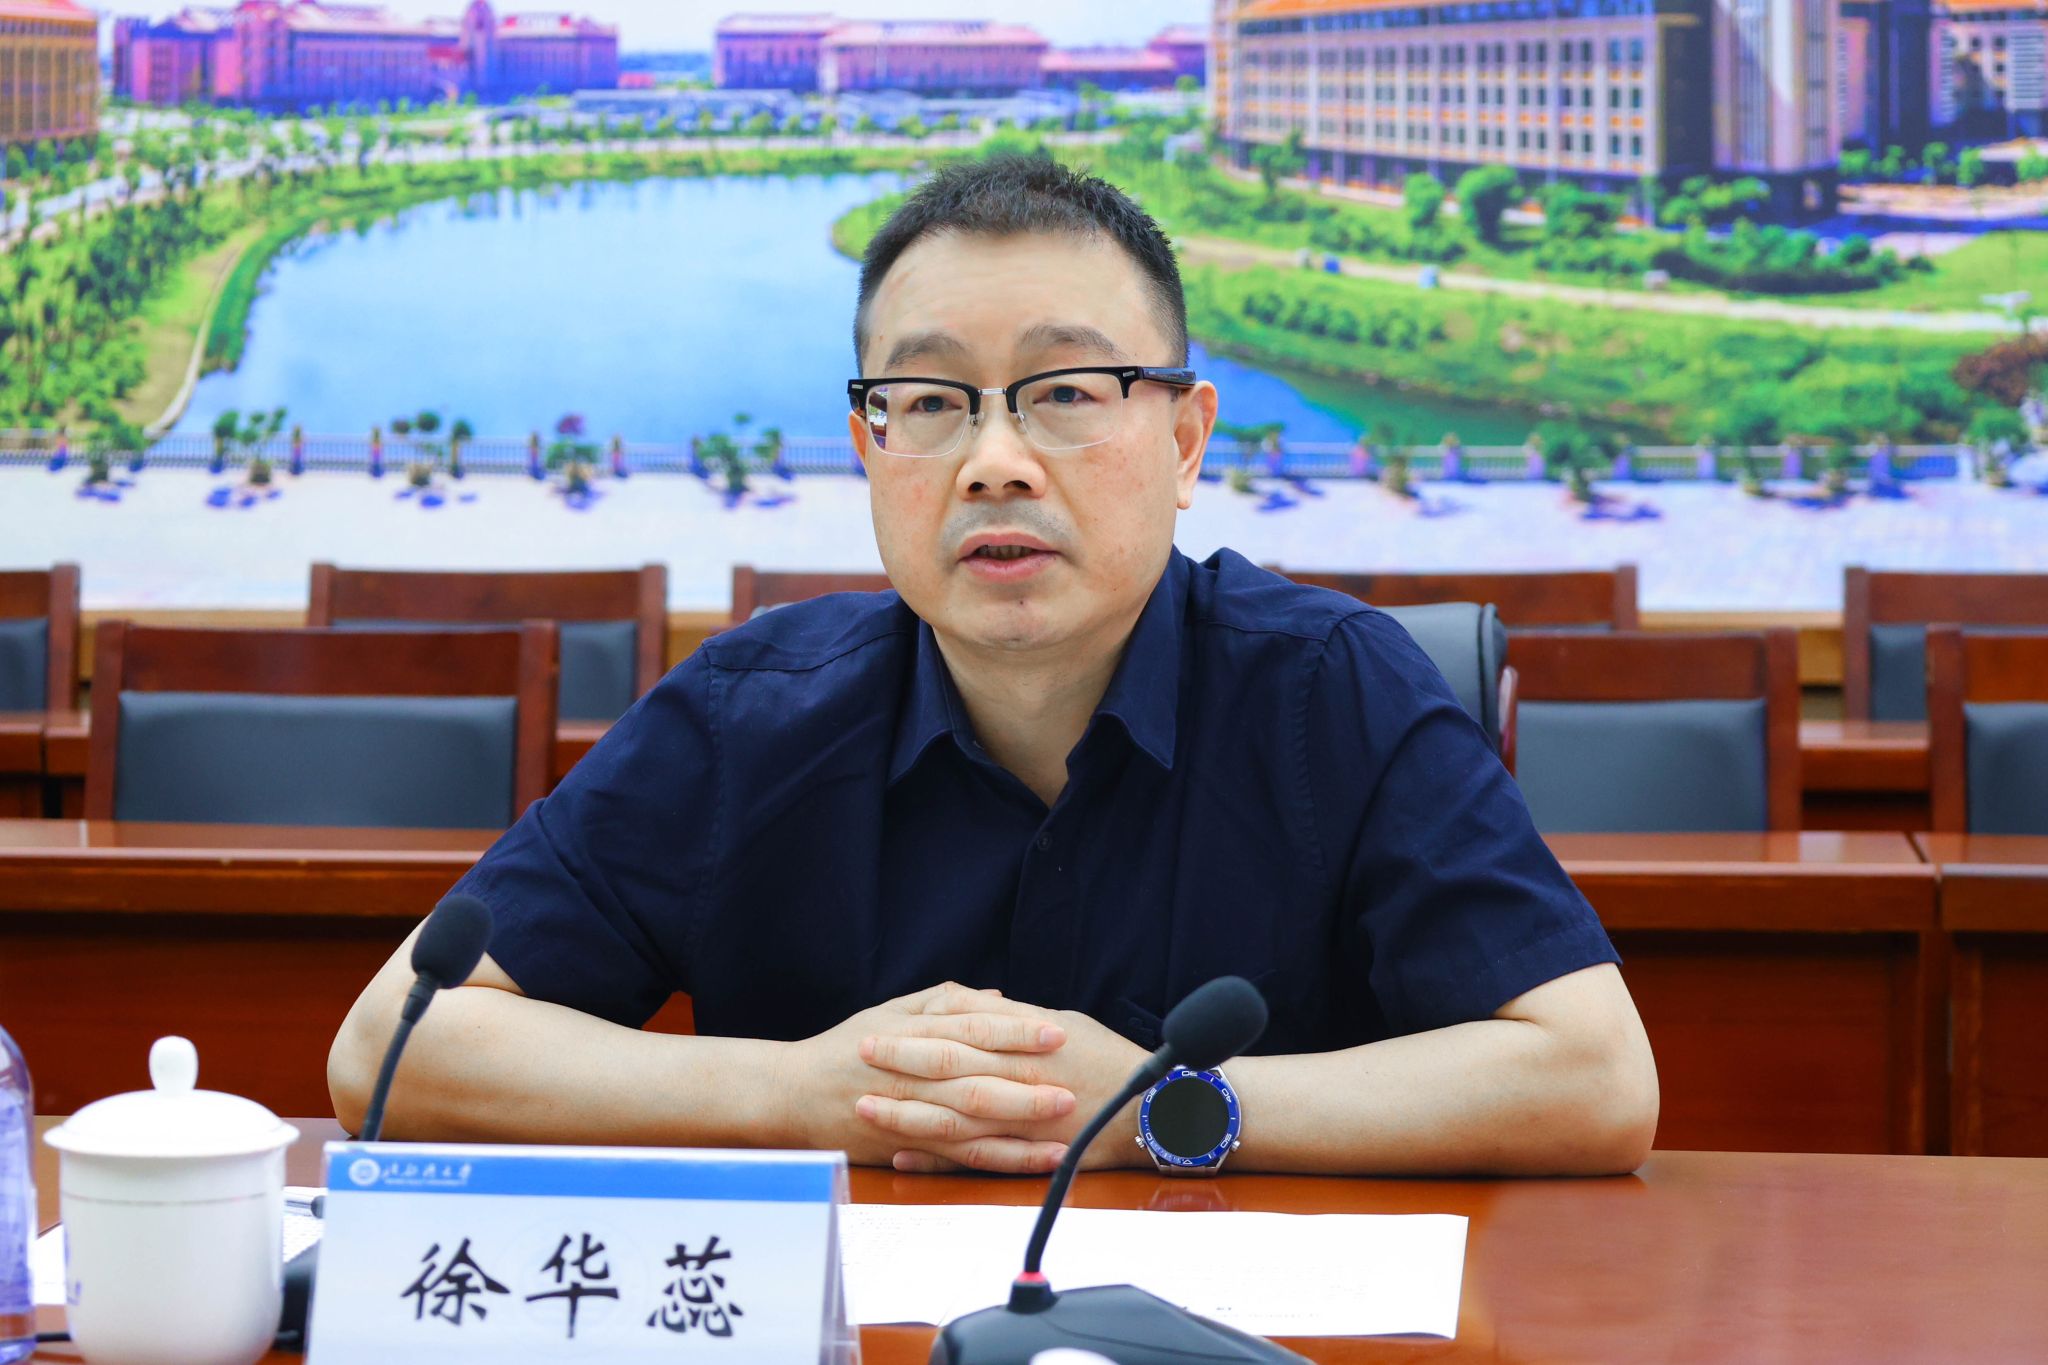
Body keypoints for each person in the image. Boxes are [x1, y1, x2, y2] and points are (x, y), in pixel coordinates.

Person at [331, 155, 1658, 1177]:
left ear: (1186, 442)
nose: (994, 461)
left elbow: (1595, 1080)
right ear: (871, 448)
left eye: (1065, 392)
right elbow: (389, 1048)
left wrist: (1149, 1105)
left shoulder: (1334, 689)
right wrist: (799, 1092)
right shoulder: (748, 714)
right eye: (929, 402)